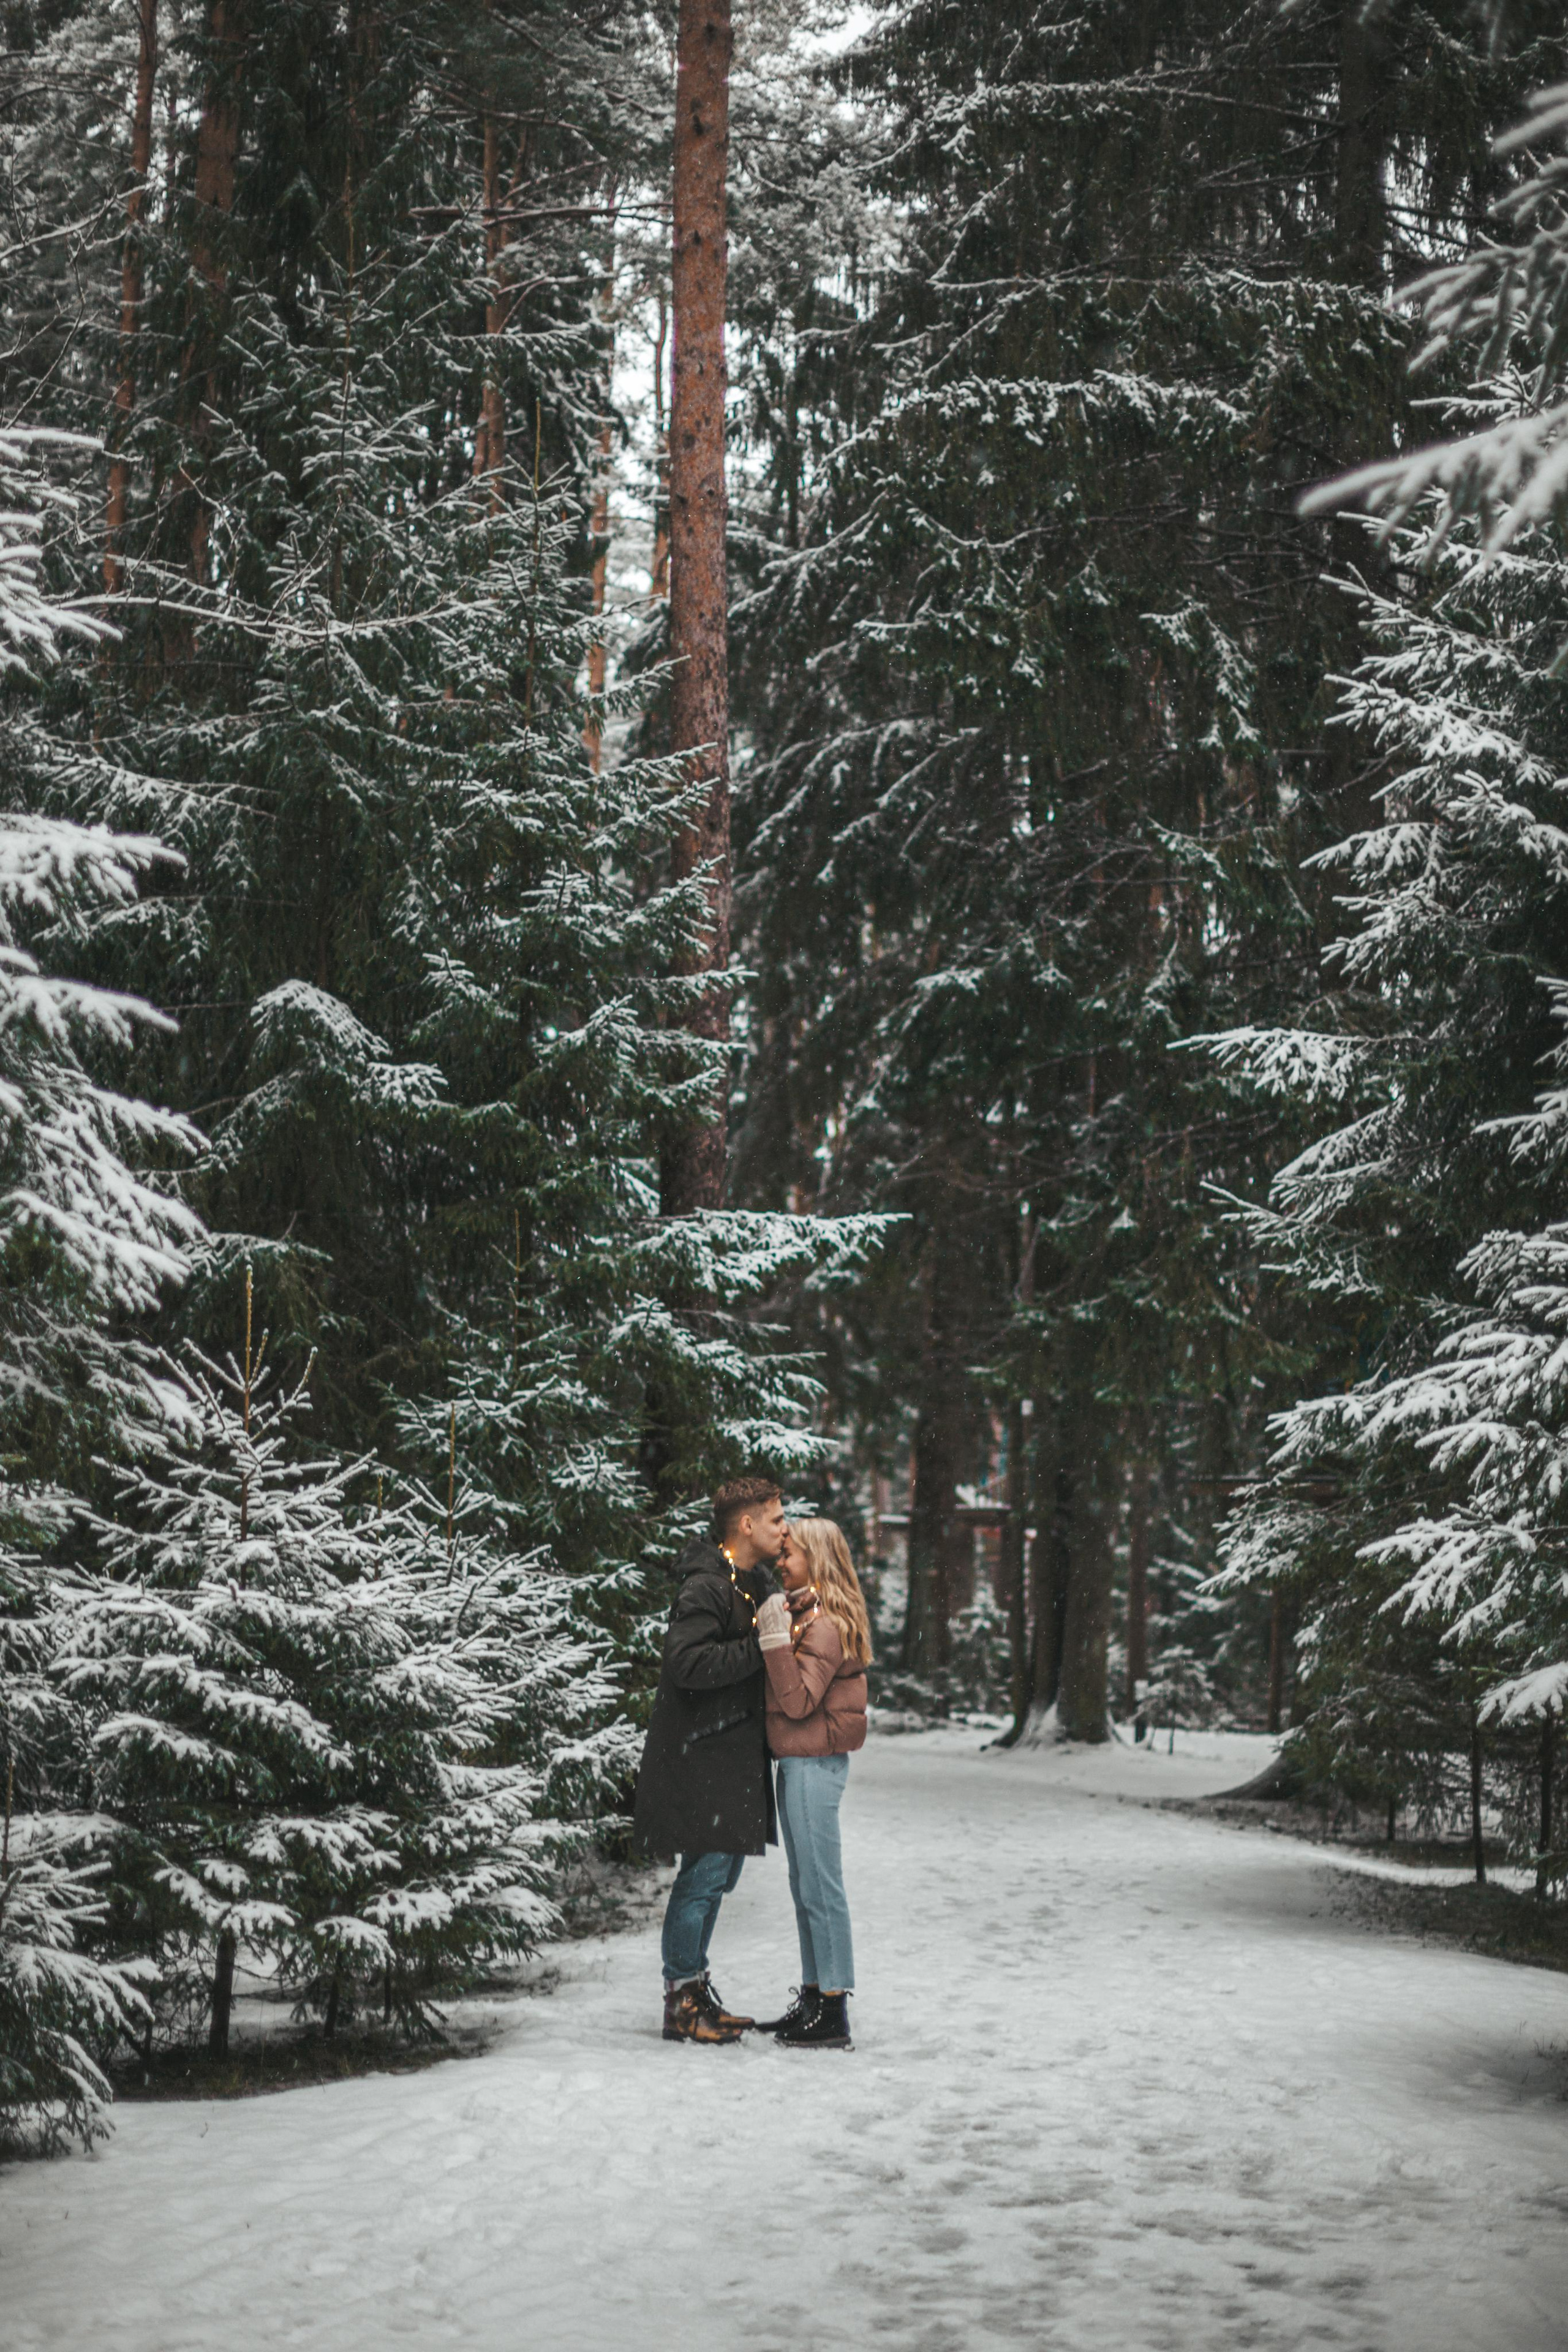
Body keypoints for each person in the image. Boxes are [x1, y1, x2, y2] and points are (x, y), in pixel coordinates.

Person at [631, 1475, 786, 2045]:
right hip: (703, 1762)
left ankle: (694, 1988)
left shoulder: (748, 1581)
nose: (784, 1528)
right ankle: (681, 2001)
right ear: (746, 1525)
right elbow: (687, 1665)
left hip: (730, 1760)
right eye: (775, 1519)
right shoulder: (707, 1586)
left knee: (717, 1878)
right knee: (702, 1880)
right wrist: (762, 1646)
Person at [753, 1517, 870, 2051]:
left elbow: (798, 1701)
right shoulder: (810, 1615)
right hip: (799, 1763)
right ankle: (815, 1994)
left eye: (791, 1554)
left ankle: (833, 2008)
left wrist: (773, 1638)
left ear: (817, 1560)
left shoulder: (824, 1624)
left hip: (813, 1766)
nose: (782, 1562)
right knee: (807, 1888)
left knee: (821, 1887)